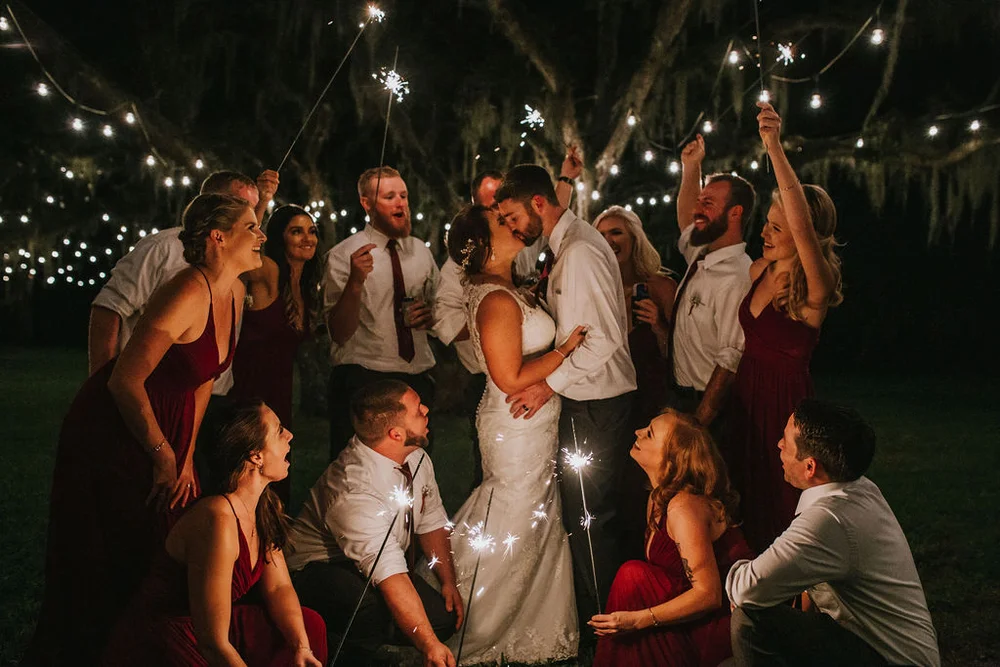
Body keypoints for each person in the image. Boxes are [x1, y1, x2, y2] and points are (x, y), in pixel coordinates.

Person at [26, 193, 263, 665]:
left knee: (159, 540)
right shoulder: (186, 290)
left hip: (173, 425)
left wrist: (186, 452)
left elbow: (205, 379)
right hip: (120, 424)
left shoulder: (235, 292)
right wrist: (161, 452)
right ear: (218, 237)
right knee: (113, 545)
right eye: (251, 226)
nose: (262, 235)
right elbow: (124, 379)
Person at [434, 204, 586, 665]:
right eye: (502, 222)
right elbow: (508, 377)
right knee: (517, 514)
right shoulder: (496, 300)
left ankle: (533, 623)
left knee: (533, 512)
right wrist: (565, 350)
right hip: (516, 422)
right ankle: (477, 623)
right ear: (484, 244)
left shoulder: (506, 288)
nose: (513, 223)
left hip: (531, 421)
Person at [496, 164, 637, 635]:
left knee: (589, 518)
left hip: (597, 403)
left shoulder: (579, 253)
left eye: (513, 216)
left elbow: (605, 339)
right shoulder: (565, 248)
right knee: (584, 513)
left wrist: (547, 385)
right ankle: (599, 617)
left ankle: (606, 629)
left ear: (538, 203)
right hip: (588, 401)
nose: (512, 228)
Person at [103, 399, 327, 666]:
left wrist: (301, 646)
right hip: (168, 640)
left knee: (309, 625)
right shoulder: (217, 519)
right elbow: (212, 641)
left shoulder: (263, 506)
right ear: (255, 456)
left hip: (209, 630)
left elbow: (279, 587)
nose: (289, 435)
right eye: (279, 430)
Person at [726, 400, 940, 667]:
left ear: (810, 467)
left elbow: (746, 589)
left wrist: (745, 585)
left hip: (887, 657)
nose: (778, 445)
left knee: (749, 617)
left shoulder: (829, 519)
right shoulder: (859, 488)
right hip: (860, 640)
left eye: (786, 442)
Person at [727, 102, 845, 553]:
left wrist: (773, 146)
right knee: (744, 499)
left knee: (782, 509)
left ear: (802, 234)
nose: (765, 232)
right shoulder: (760, 270)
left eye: (778, 227)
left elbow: (800, 220)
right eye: (767, 223)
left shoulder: (816, 288)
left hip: (785, 409)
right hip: (745, 398)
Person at [286, 381, 461, 667]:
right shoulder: (354, 492)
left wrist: (448, 581)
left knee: (442, 618)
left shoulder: (415, 456)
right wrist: (429, 646)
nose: (427, 410)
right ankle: (347, 653)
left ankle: (379, 635)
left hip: (376, 561)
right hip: (316, 569)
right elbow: (390, 573)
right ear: (396, 434)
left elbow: (431, 520)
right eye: (418, 410)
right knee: (364, 604)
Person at [589, 410, 753, 667]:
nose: (637, 432)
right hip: (680, 617)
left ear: (671, 459)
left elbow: (709, 596)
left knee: (633, 575)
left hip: (712, 627)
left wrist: (638, 620)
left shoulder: (684, 508)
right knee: (634, 576)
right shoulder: (657, 497)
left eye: (649, 434)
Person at [88, 169, 278, 385]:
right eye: (240, 204)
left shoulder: (238, 268)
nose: (248, 213)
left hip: (212, 388)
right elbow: (109, 308)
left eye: (253, 209)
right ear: (209, 203)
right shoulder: (164, 249)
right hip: (148, 387)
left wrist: (265, 199)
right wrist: (99, 384)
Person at [323, 166, 438, 461]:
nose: (401, 203)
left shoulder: (420, 252)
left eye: (404, 196)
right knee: (358, 472)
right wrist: (355, 282)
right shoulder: (344, 255)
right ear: (367, 203)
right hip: (365, 381)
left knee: (417, 470)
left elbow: (440, 308)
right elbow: (339, 332)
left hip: (416, 379)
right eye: (389, 197)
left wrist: (431, 317)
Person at [594, 206, 678, 559]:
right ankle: (619, 560)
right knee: (610, 481)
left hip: (650, 398)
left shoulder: (660, 286)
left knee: (648, 482)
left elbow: (678, 353)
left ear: (634, 239)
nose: (609, 240)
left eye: (616, 233)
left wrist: (657, 325)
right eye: (601, 235)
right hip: (609, 398)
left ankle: (655, 553)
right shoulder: (596, 288)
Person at [230, 204, 321, 505]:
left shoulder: (305, 285)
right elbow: (240, 250)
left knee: (276, 468)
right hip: (250, 388)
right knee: (248, 469)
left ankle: (272, 527)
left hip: (281, 392)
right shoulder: (269, 270)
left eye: (311, 231)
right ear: (279, 237)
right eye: (296, 231)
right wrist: (261, 202)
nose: (307, 238)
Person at [673, 135, 755, 441]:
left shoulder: (737, 277)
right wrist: (691, 166)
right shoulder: (701, 255)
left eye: (708, 203)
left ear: (735, 213)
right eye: (700, 201)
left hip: (710, 411)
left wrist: (699, 423)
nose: (698, 209)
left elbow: (731, 360)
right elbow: (687, 221)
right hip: (680, 398)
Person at [434, 170, 504, 491]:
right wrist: (493, 325)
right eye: (490, 206)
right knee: (490, 468)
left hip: (534, 378)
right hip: (484, 379)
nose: (498, 213)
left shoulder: (523, 249)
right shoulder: (457, 264)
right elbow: (445, 323)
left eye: (502, 203)